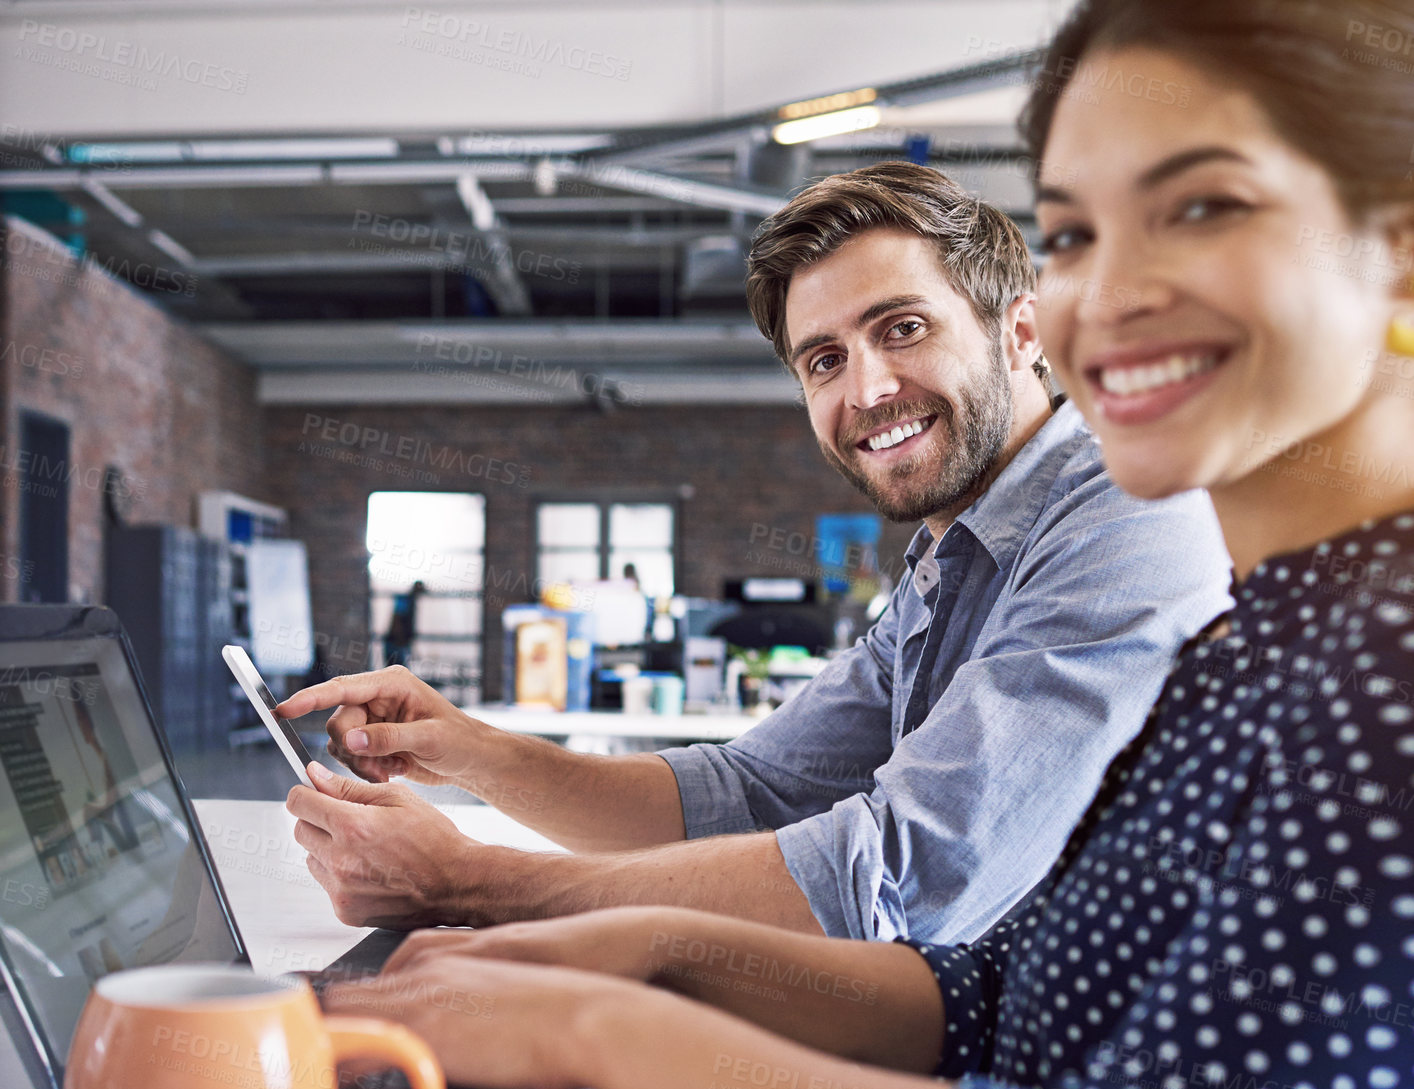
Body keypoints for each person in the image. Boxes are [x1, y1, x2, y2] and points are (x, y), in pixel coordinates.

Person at [321, 0, 1414, 1089]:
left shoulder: (1375, 671)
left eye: (1199, 205)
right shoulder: (1266, 631)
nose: (1109, 294)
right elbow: (994, 992)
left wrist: (583, 1009)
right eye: (1077, 230)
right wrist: (625, 945)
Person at [279, 165, 1229, 941]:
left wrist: (468, 884)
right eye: (823, 359)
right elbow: (747, 795)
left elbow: (901, 879)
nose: (868, 389)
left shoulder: (1132, 509)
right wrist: (476, 753)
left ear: (1020, 332)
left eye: (902, 328)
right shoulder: (948, 559)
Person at [381, 580, 425, 669]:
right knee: (396, 670)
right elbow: (397, 619)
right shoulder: (405, 600)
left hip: (398, 643)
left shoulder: (410, 601)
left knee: (397, 670)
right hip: (395, 643)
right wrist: (400, 640)